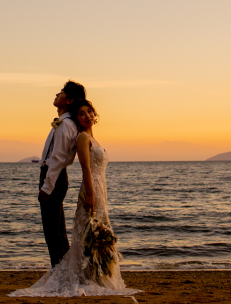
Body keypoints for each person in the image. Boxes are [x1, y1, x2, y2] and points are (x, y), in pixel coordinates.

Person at [11, 99, 139, 298]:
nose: (87, 116)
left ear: (94, 115)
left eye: (89, 112)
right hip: (91, 188)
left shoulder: (93, 138)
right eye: (81, 113)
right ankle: (80, 275)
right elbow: (85, 169)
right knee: (87, 232)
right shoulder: (82, 138)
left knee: (96, 231)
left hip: (100, 188)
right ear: (77, 118)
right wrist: (90, 194)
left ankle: (97, 275)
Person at [37, 80, 85, 267]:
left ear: (70, 100)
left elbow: (57, 159)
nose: (57, 94)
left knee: (52, 230)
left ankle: (60, 272)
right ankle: (63, 270)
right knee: (57, 228)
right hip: (55, 175)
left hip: (53, 176)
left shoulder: (66, 125)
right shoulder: (64, 123)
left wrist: (47, 187)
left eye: (62, 92)